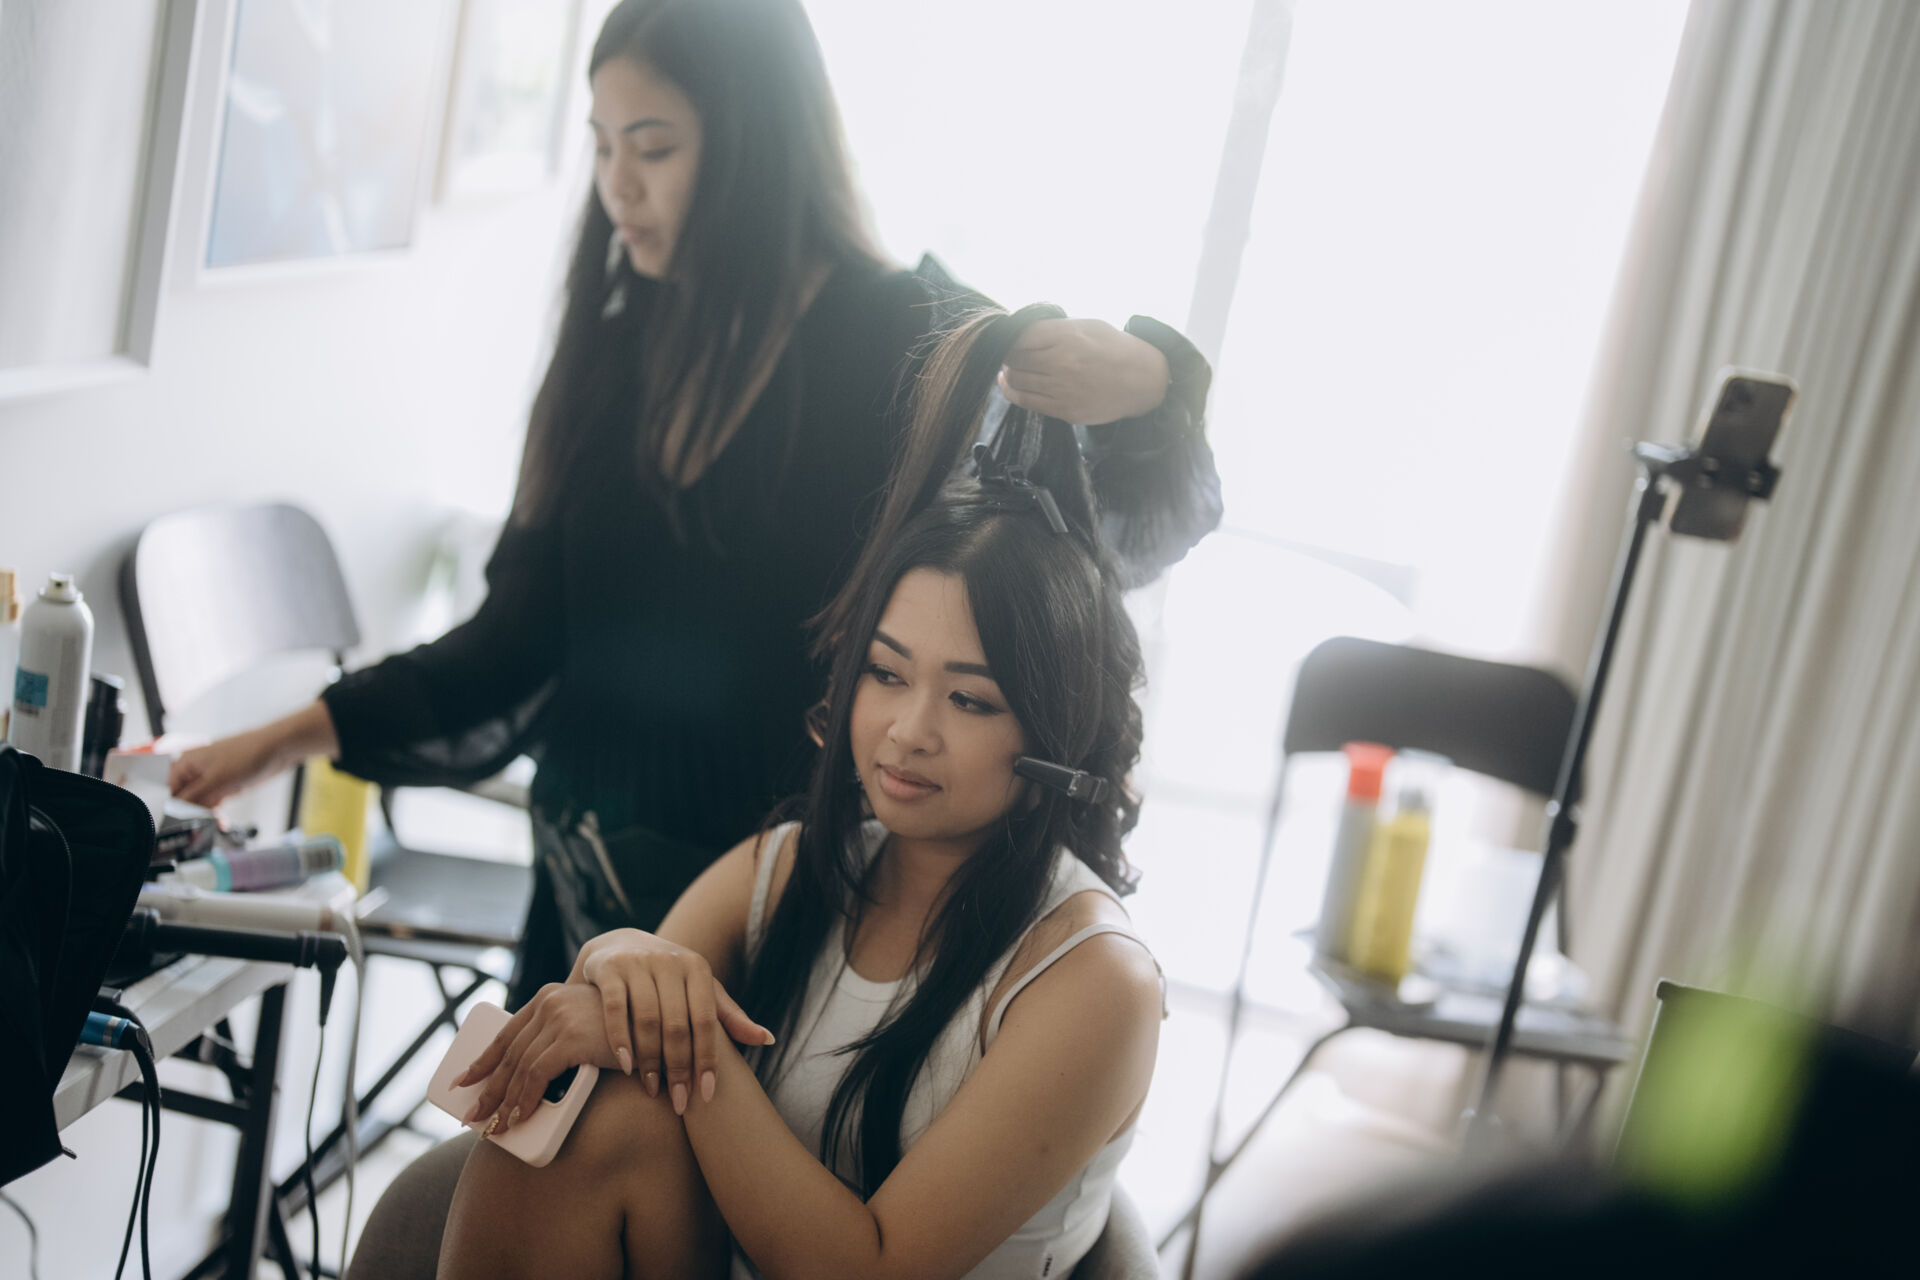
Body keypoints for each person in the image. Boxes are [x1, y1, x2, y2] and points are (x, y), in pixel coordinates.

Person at [169, 0, 1218, 1006]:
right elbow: (514, 640)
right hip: (582, 905)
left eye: (655, 147)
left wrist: (1153, 386)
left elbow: (1108, 533)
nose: (617, 185)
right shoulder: (616, 345)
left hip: (776, 923)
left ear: (759, 145)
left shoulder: (905, 338)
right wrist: (269, 741)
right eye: (601, 146)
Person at [438, 303, 1164, 1280]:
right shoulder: (787, 870)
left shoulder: (1095, 983)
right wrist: (616, 956)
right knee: (587, 1117)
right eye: (887, 673)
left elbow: (869, 1269)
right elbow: (616, 1001)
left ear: (1058, 736)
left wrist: (690, 1039)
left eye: (970, 699)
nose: (909, 729)